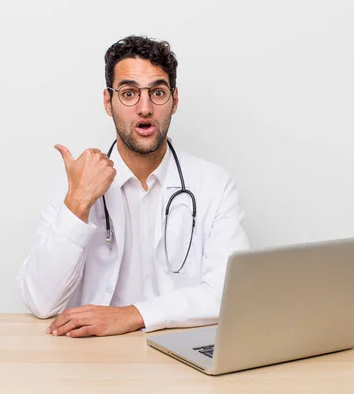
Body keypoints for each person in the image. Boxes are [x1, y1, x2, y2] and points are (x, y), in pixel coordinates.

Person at [17, 35, 250, 338]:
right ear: (108, 101)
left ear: (174, 100)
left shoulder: (214, 186)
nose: (144, 108)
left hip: (178, 358)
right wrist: (77, 202)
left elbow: (230, 293)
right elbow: (40, 302)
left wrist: (133, 315)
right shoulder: (74, 183)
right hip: (89, 360)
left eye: (158, 92)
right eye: (128, 93)